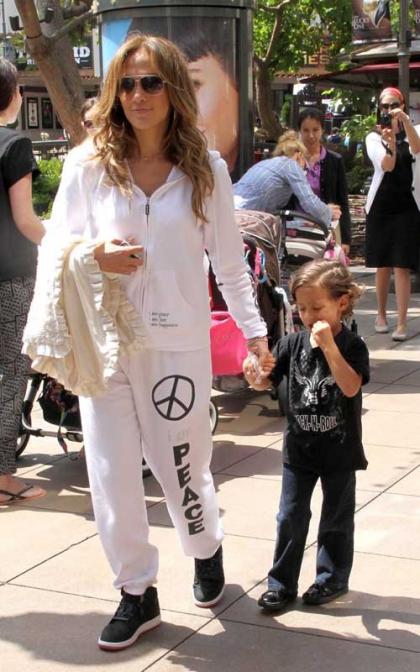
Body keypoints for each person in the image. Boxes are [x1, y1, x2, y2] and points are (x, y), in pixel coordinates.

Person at [45, 33, 268, 650]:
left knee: (182, 465)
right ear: (114, 90)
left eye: (152, 82)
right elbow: (56, 246)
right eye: (128, 82)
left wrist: (255, 336)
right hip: (108, 342)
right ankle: (136, 591)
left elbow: (230, 264)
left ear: (172, 90)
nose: (138, 95)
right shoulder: (88, 167)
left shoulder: (206, 170)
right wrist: (95, 256)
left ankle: (205, 546)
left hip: (178, 345)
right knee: (111, 471)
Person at [243, 259, 370, 612]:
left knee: (335, 519)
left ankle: (330, 580)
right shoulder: (290, 344)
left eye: (317, 307)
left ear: (341, 303)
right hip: (298, 451)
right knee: (289, 517)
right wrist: (254, 373)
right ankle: (281, 584)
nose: (308, 316)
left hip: (340, 452)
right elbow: (265, 381)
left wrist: (329, 346)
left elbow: (349, 387)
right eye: (301, 308)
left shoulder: (352, 346)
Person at [0, 58, 45, 505]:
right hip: (10, 273)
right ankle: (3, 476)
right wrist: (70, 243)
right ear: (11, 95)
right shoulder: (14, 144)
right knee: (11, 371)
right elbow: (26, 221)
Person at [128, 17, 239, 174]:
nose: (176, 103)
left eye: (192, 84)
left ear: (235, 81)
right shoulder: (94, 174)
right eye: (127, 85)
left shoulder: (216, 172)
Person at [365, 86, 420, 341]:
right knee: (383, 263)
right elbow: (387, 164)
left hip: (407, 205)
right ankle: (381, 314)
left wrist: (405, 122)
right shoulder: (373, 138)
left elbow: (417, 149)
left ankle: (401, 322)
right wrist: (389, 142)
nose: (388, 111)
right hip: (381, 205)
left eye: (393, 106)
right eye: (384, 107)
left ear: (402, 106)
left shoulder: (413, 132)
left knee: (402, 264)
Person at [233, 130, 341, 228]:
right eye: (305, 161)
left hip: (232, 212)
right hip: (245, 218)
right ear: (299, 155)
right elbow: (309, 201)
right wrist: (329, 212)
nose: (305, 168)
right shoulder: (290, 165)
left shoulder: (264, 164)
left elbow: (271, 218)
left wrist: (302, 223)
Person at [298, 108, 352, 256]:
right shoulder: (290, 161)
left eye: (315, 130)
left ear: (322, 130)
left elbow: (343, 201)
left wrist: (346, 239)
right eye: (306, 130)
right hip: (296, 230)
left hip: (327, 231)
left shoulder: (335, 161)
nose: (311, 135)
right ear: (299, 132)